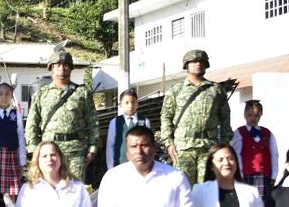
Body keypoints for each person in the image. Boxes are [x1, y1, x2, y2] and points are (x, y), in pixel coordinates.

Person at [159, 50, 232, 185]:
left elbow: (225, 118)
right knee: (183, 187)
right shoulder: (176, 90)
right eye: (194, 61)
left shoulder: (216, 90)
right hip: (183, 148)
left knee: (208, 188)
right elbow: (166, 117)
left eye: (201, 62)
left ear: (206, 65)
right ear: (186, 65)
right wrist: (169, 143)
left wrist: (224, 142)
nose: (198, 64)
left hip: (209, 147)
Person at [25, 50, 97, 182]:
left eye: (65, 65)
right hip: (49, 152)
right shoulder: (41, 94)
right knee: (50, 188)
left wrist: (92, 148)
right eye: (58, 65)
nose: (62, 68)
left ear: (70, 68)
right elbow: (32, 124)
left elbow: (92, 122)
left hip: (75, 152)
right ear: (51, 69)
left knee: (74, 189)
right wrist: (34, 150)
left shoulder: (82, 93)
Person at [0, 82, 27, 199]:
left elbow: (21, 138)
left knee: (12, 195)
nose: (4, 97)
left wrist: (22, 162)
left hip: (12, 159)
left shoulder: (16, 115)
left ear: (12, 96)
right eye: (1, 94)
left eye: (7, 94)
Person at [230, 100, 278, 198]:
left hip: (265, 175)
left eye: (256, 115)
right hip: (247, 175)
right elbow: (236, 154)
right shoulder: (239, 133)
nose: (253, 118)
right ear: (244, 115)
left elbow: (274, 154)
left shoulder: (267, 133)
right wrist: (239, 174)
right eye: (250, 115)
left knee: (264, 202)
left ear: (261, 115)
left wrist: (274, 175)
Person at [104, 88, 151, 170]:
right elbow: (110, 146)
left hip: (140, 166)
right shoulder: (115, 122)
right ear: (120, 105)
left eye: (133, 102)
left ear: (137, 103)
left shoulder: (145, 121)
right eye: (126, 102)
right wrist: (110, 167)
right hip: (119, 166)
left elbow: (148, 145)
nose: (130, 105)